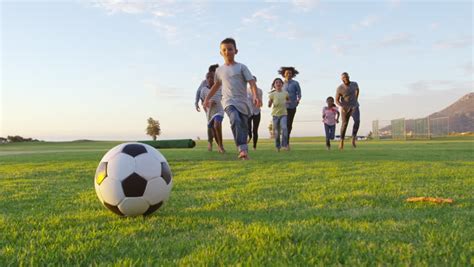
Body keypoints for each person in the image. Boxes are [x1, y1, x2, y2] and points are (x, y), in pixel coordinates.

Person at [204, 38, 261, 160]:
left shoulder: (242, 67)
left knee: (243, 126)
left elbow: (251, 83)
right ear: (221, 52)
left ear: (236, 51)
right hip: (228, 101)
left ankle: (243, 148)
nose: (227, 52)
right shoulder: (219, 71)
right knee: (234, 118)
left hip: (243, 102)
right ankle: (242, 150)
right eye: (224, 50)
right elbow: (216, 86)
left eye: (230, 49)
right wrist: (206, 99)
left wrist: (255, 96)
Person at [194, 64, 219, 151]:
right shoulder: (205, 82)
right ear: (212, 72)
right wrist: (196, 103)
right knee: (210, 122)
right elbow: (198, 91)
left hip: (216, 103)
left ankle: (218, 142)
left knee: (217, 122)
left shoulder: (219, 81)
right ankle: (210, 142)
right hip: (206, 103)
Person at [200, 72, 225, 153]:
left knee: (217, 124)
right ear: (206, 79)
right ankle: (219, 145)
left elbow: (224, 98)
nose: (210, 79)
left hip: (219, 110)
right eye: (208, 77)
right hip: (210, 113)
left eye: (212, 77)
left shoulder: (220, 88)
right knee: (214, 132)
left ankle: (221, 146)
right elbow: (203, 104)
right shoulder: (203, 90)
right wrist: (208, 105)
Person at [335, 72, 360, 150]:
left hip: (354, 106)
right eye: (343, 78)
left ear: (348, 77)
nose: (345, 79)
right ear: (341, 79)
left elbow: (357, 90)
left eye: (346, 77)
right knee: (345, 124)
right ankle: (341, 141)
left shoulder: (354, 84)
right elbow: (336, 100)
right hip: (345, 108)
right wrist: (342, 106)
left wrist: (356, 99)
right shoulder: (340, 88)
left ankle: (353, 139)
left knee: (357, 121)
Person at [278, 66, 301, 149]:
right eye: (287, 73)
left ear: (293, 74)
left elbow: (299, 94)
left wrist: (298, 100)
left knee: (289, 125)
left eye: (290, 73)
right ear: (284, 74)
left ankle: (286, 143)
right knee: (283, 125)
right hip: (282, 107)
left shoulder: (295, 83)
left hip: (292, 106)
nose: (289, 74)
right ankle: (283, 142)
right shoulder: (280, 83)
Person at [268, 78, 289, 152]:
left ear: (282, 84)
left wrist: (287, 102)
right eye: (276, 82)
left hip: (284, 114)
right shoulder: (272, 94)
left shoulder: (285, 93)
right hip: (275, 115)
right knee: (276, 132)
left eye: (280, 82)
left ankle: (284, 145)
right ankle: (277, 146)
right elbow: (269, 105)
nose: (278, 83)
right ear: (274, 85)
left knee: (284, 128)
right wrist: (270, 103)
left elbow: (288, 99)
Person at [247, 76, 263, 150]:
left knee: (255, 130)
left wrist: (258, 103)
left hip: (257, 112)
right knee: (248, 128)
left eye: (254, 81)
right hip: (248, 112)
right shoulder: (245, 90)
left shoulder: (259, 91)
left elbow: (261, 103)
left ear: (255, 81)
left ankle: (254, 146)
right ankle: (249, 136)